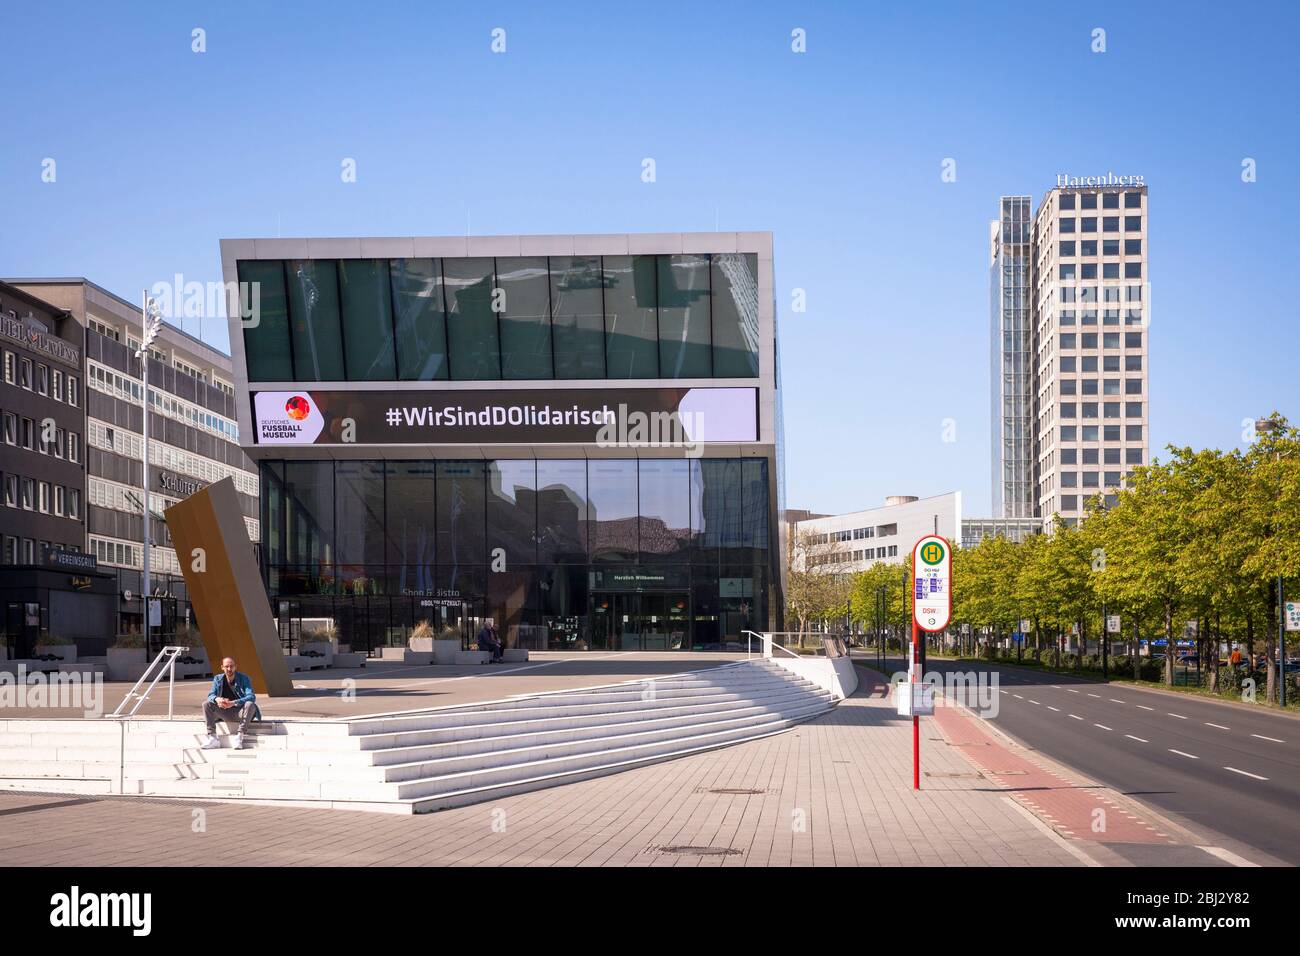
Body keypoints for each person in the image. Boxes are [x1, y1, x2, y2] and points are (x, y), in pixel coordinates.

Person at [201, 656, 260, 750]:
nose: (229, 669)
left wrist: (233, 703)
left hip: (241, 712)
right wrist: (217, 699)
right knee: (206, 704)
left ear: (235, 667)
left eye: (231, 666)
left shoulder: (244, 678)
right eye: (226, 666)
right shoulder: (218, 679)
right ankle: (213, 738)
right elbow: (211, 695)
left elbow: (251, 696)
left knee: (250, 704)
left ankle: (239, 736)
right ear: (222, 667)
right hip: (224, 712)